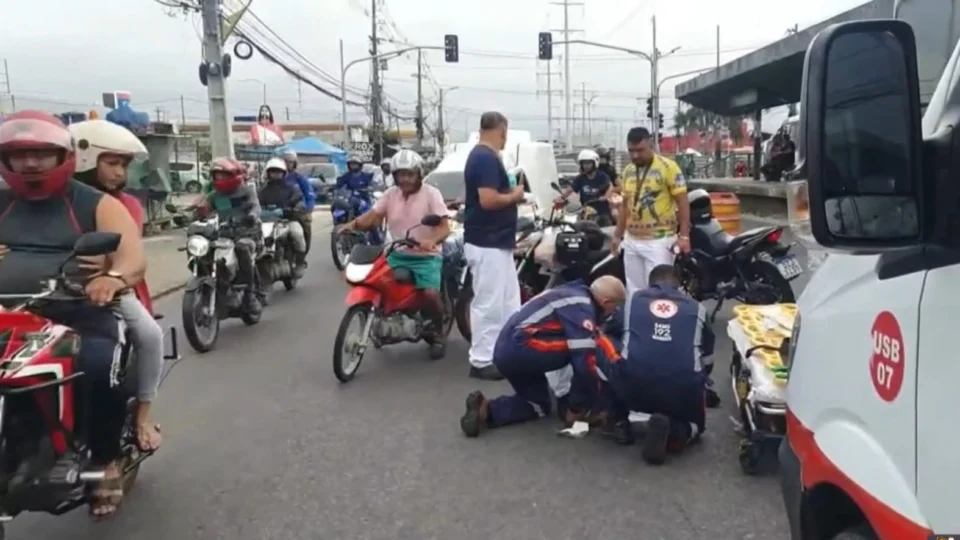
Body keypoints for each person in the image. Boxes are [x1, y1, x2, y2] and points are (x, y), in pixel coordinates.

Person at [0, 111, 147, 518]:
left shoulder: (95, 203)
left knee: (99, 365)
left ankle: (105, 459)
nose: (30, 163)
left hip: (78, 310)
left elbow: (132, 256)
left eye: (41, 154)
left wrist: (112, 279)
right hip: (8, 314)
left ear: (62, 156)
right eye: (21, 154)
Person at [69, 119, 165, 455]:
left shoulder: (125, 206)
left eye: (123, 165)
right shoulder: (51, 203)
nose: (119, 173)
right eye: (112, 163)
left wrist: (112, 272)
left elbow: (124, 253)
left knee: (151, 336)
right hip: (44, 294)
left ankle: (142, 416)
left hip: (109, 294)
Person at [459, 276, 626, 437]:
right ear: (606, 302)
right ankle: (573, 405)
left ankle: (487, 410)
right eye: (615, 308)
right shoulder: (582, 307)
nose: (614, 313)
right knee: (587, 347)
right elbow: (584, 362)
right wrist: (579, 405)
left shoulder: (570, 291)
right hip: (523, 347)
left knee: (538, 405)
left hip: (506, 350)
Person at [341, 150, 451, 357]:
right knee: (376, 282)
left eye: (409, 174)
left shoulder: (431, 194)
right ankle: (385, 321)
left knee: (429, 294)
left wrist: (431, 240)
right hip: (396, 252)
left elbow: (445, 227)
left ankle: (438, 332)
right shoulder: (391, 194)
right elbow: (374, 216)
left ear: (419, 174)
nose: (405, 179)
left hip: (426, 257)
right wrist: (352, 224)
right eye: (401, 175)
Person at [605, 265, 715, 465]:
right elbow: (707, 357)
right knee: (697, 426)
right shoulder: (698, 308)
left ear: (650, 283)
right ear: (679, 284)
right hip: (682, 388)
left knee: (607, 346)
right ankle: (676, 430)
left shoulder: (633, 302)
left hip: (634, 384)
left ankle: (620, 422)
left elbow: (609, 329)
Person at [462, 111, 526, 381]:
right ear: (500, 130)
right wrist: (516, 195)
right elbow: (488, 200)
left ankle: (507, 351)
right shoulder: (484, 158)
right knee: (489, 302)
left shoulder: (486, 157)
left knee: (509, 301)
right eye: (505, 134)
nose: (505, 139)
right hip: (486, 241)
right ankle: (481, 359)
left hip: (497, 241)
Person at [611, 127, 691, 296]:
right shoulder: (628, 171)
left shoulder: (668, 167)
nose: (635, 156)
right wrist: (617, 236)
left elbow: (683, 202)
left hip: (659, 242)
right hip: (632, 241)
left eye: (640, 150)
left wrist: (684, 236)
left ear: (650, 145)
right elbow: (625, 206)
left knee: (660, 293)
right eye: (631, 151)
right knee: (634, 292)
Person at [196, 158, 263, 314]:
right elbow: (204, 209)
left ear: (234, 175)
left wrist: (252, 216)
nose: (220, 179)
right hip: (224, 235)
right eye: (217, 175)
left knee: (243, 248)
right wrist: (192, 217)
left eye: (223, 175)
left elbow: (255, 205)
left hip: (246, 233)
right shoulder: (214, 195)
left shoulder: (247, 191)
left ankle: (250, 294)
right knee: (206, 250)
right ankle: (215, 287)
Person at [258, 157, 308, 278]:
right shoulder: (262, 190)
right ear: (268, 173)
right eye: (273, 171)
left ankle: (300, 262)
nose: (275, 174)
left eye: (278, 171)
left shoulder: (292, 188)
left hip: (288, 220)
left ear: (284, 173)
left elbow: (300, 201)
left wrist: (296, 208)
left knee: (298, 234)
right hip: (266, 222)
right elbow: (255, 205)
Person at [555, 149, 614, 226]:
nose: (586, 166)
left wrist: (605, 197)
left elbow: (610, 187)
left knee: (606, 229)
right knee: (577, 228)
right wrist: (561, 197)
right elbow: (570, 189)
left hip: (601, 213)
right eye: (584, 163)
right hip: (586, 211)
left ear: (594, 163)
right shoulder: (580, 178)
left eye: (588, 163)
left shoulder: (602, 176)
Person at [336, 154, 381, 243]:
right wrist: (335, 189)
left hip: (364, 201)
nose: (353, 166)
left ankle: (377, 242)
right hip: (349, 200)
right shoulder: (346, 176)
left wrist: (370, 188)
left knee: (370, 219)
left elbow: (373, 185)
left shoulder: (366, 176)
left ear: (360, 165)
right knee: (336, 207)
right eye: (351, 164)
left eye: (355, 164)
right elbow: (338, 186)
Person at [281, 150, 315, 252]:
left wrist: (308, 210)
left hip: (296, 210)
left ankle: (302, 253)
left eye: (290, 162)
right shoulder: (276, 177)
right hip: (278, 210)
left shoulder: (300, 178)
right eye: (285, 161)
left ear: (294, 163)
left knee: (305, 225)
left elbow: (309, 196)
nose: (287, 164)